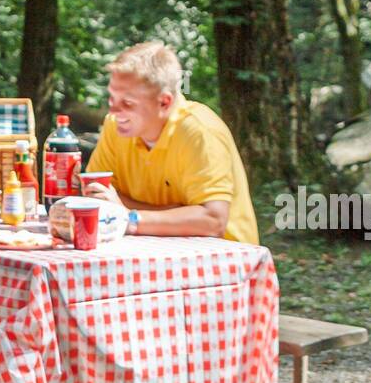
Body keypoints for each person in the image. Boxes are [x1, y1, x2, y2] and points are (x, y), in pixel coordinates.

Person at [82, 40, 258, 243]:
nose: (113, 110)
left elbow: (213, 221)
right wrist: (173, 214)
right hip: (149, 251)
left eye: (127, 103)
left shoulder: (199, 131)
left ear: (164, 102)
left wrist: (129, 216)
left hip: (223, 261)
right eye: (111, 99)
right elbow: (96, 197)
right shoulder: (114, 125)